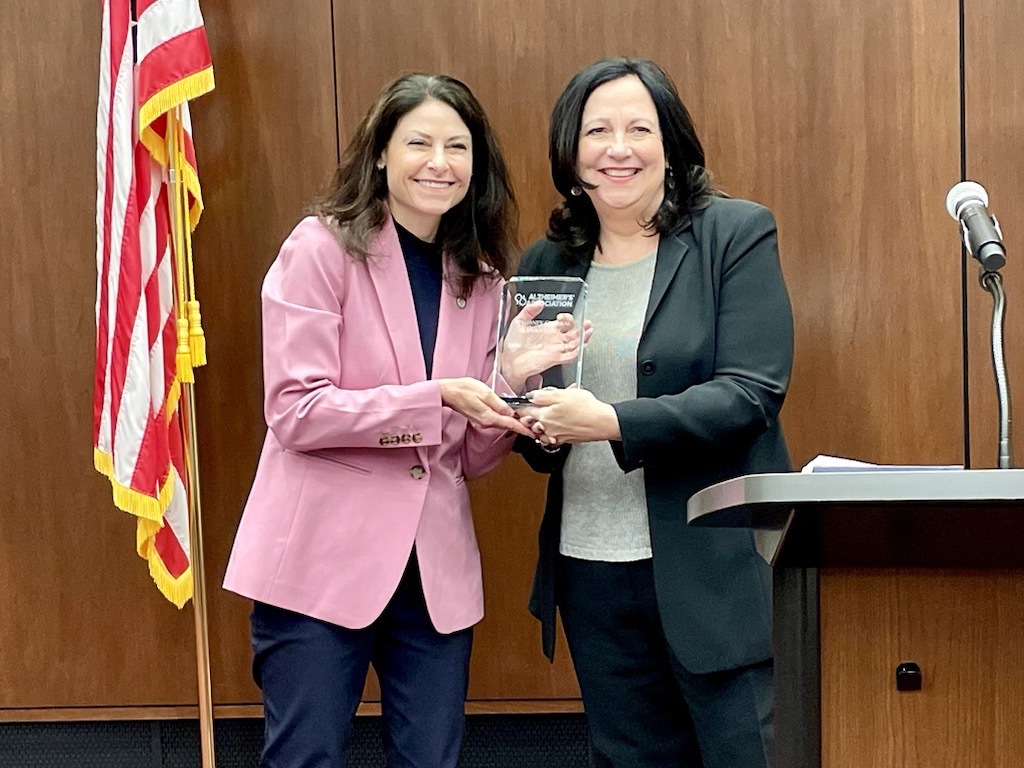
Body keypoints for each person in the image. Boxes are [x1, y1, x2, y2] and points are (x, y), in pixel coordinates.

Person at [223, 73, 537, 768]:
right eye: (419, 142)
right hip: (318, 564)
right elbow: (295, 409)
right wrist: (436, 398)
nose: (440, 161)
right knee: (306, 758)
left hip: (435, 580)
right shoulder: (321, 248)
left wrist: (509, 379)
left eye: (459, 146)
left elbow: (471, 457)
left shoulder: (482, 277)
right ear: (380, 156)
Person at [515, 57, 794, 768]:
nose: (619, 148)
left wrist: (612, 422)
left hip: (714, 567)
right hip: (593, 570)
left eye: (639, 128)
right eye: (598, 130)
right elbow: (541, 437)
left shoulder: (733, 234)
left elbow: (750, 392)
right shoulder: (548, 261)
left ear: (670, 143)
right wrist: (518, 397)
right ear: (570, 151)